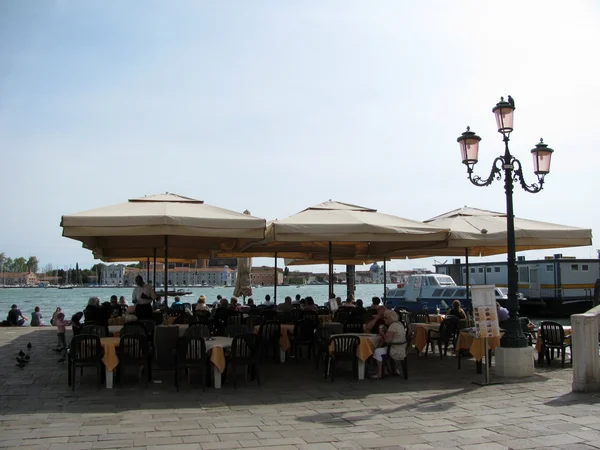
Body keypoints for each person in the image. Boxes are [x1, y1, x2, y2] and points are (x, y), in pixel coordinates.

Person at [371, 310, 407, 379]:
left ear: (390, 318)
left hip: (394, 348)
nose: (384, 319)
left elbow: (388, 341)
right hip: (401, 348)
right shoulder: (399, 324)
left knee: (377, 351)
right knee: (381, 349)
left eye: (385, 318)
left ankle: (379, 373)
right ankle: (387, 370)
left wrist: (383, 334)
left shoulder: (393, 326)